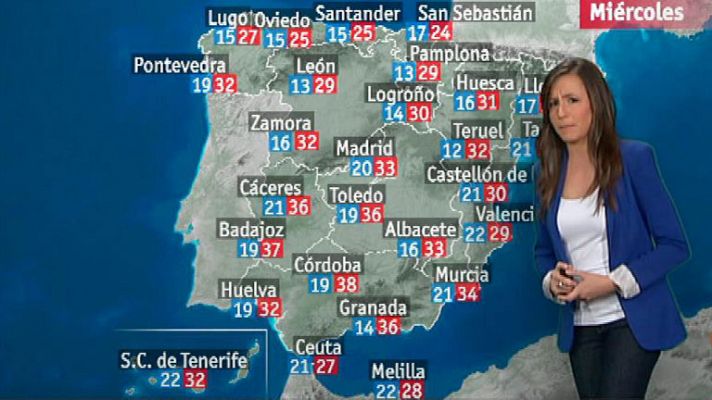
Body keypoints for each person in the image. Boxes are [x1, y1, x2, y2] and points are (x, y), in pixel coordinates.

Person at [533, 57, 690, 399]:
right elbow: (545, 251)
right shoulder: (547, 174)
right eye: (554, 103)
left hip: (632, 322)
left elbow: (674, 245)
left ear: (596, 103)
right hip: (581, 329)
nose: (561, 112)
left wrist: (610, 282)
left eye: (572, 100)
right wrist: (552, 280)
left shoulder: (633, 159)